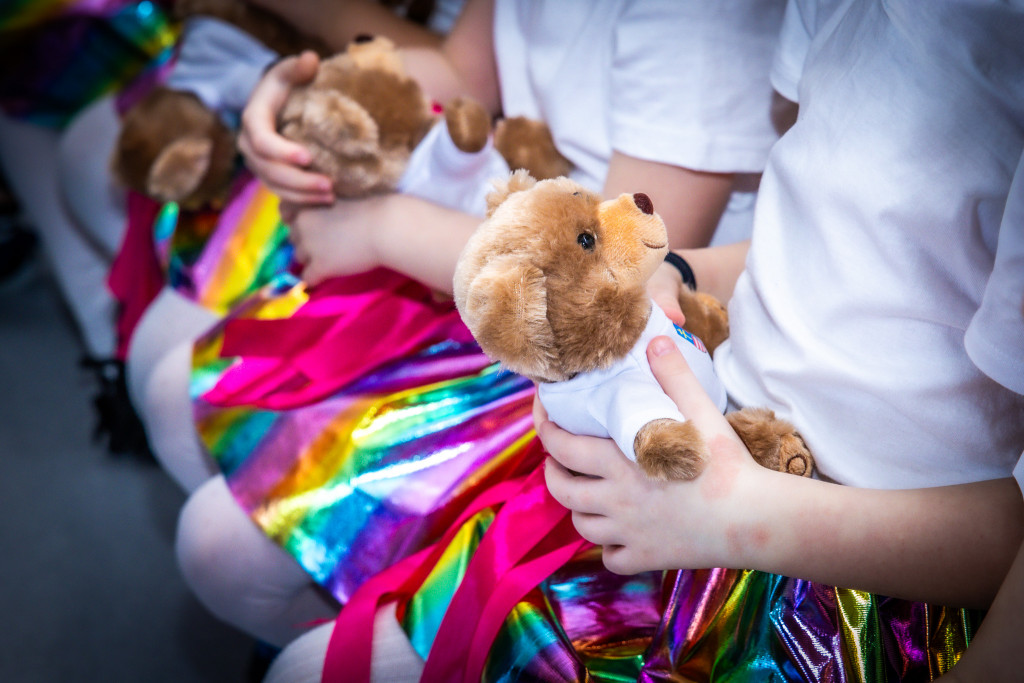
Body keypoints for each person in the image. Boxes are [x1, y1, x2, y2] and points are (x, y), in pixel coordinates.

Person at [260, 0, 1024, 680]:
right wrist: (680, 272)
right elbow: (825, 241)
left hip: (859, 582)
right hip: (706, 448)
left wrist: (740, 514)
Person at [162, 0, 790, 662]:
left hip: (571, 341)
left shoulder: (699, 22)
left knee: (223, 547)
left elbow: (615, 269)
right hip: (493, 278)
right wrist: (301, 100)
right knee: (184, 421)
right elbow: (463, 69)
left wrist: (381, 228)